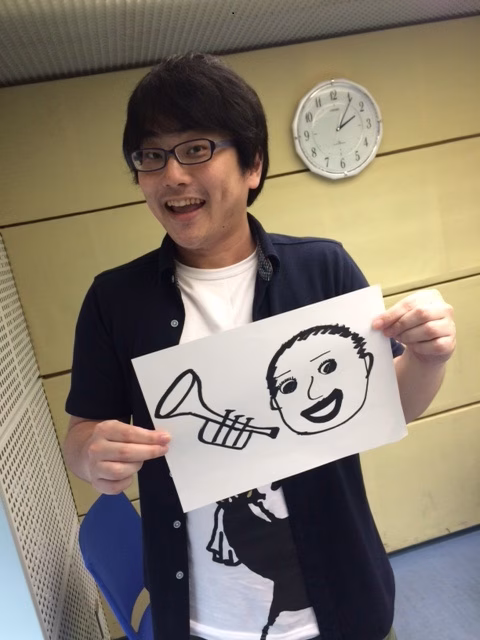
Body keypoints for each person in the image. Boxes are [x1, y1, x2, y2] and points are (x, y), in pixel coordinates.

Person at [63, 53, 456, 640]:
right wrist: (91, 455)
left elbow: (388, 405)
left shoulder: (323, 268)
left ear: (253, 165)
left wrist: (428, 358)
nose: (172, 175)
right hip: (202, 620)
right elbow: (81, 435)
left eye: (196, 149)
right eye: (151, 156)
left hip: (344, 604)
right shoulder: (113, 300)